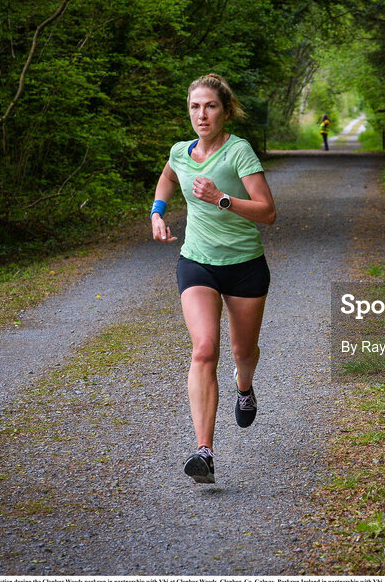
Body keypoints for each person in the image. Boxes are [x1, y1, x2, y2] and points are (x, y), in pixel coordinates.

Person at [149, 73, 277, 484]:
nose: (201, 115)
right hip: (196, 261)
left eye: (210, 106)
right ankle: (204, 451)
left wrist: (221, 198)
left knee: (243, 350)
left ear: (224, 110)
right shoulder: (180, 152)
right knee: (204, 349)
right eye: (194, 107)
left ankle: (245, 386)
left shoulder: (239, 152)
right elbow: (169, 176)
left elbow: (268, 211)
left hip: (243, 265)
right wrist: (157, 211)